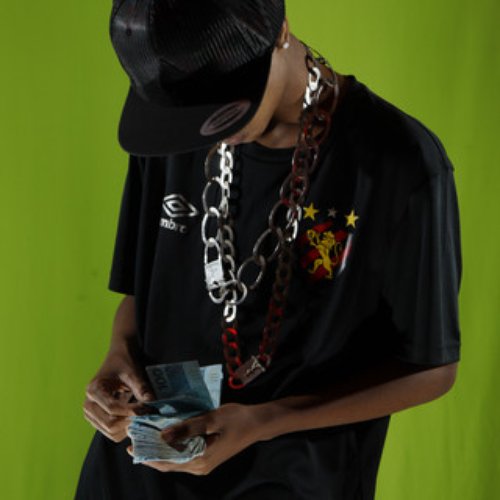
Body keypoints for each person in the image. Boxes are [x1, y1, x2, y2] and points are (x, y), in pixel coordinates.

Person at [75, 1, 462, 499]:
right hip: (139, 467)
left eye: (222, 109)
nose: (205, 130)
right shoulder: (173, 128)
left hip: (293, 479)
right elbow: (143, 290)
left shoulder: (397, 163)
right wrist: (118, 354)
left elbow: (431, 367)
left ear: (278, 32)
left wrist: (265, 420)